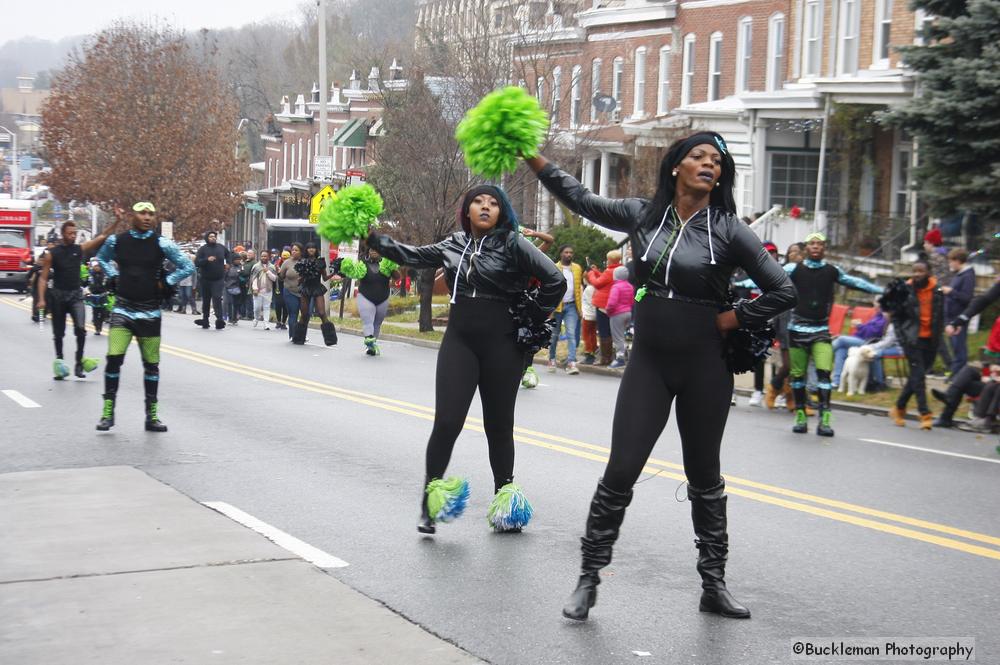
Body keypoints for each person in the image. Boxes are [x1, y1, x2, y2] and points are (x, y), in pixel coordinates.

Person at [526, 131, 796, 621]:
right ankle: (588, 579)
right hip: (648, 363)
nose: (708, 164)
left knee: (704, 477)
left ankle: (714, 584)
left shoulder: (731, 229)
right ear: (677, 166)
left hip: (704, 367)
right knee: (621, 470)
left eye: (716, 160)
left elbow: (783, 290)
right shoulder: (642, 215)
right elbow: (581, 198)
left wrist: (728, 320)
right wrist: (534, 158)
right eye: (698, 156)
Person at [368, 184, 565, 534]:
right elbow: (410, 254)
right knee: (447, 422)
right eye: (478, 202)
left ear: (502, 212)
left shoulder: (514, 243)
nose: (486, 207)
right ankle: (430, 503)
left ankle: (507, 504)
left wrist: (532, 314)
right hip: (460, 341)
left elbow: (555, 280)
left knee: (499, 426)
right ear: (467, 211)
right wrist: (371, 237)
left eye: (493, 203)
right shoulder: (452, 244)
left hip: (503, 344)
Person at [94, 202, 194, 431]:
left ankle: (152, 416)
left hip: (150, 312)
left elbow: (187, 266)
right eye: (142, 213)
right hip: (122, 311)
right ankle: (107, 413)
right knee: (114, 358)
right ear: (133, 216)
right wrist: (114, 276)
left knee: (151, 365)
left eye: (151, 214)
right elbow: (100, 258)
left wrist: (166, 282)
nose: (147, 217)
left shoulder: (162, 243)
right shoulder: (116, 241)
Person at [784, 233, 882, 437]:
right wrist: (740, 283)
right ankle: (800, 416)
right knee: (797, 377)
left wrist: (883, 290)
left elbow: (857, 283)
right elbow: (767, 277)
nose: (816, 247)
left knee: (824, 376)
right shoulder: (793, 269)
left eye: (820, 244)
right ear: (806, 248)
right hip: (797, 331)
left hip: (820, 331)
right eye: (812, 243)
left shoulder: (832, 270)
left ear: (824, 248)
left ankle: (825, 421)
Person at [37, 220, 116, 379]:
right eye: (70, 233)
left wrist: (117, 221)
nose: (73, 236)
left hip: (75, 296)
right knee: (59, 334)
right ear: (63, 234)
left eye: (74, 233)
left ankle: (79, 363)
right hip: (58, 296)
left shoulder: (79, 249)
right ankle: (59, 364)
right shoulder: (52, 254)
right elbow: (43, 279)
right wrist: (41, 299)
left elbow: (102, 236)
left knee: (81, 329)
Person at [887, 260, 944, 430]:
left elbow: (940, 315)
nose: (917, 274)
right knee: (919, 377)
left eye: (921, 271)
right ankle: (925, 414)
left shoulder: (937, 290)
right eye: (915, 271)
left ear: (928, 272)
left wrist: (939, 334)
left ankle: (899, 407)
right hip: (912, 339)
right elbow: (895, 316)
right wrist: (902, 336)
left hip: (931, 339)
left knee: (916, 377)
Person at [340, 247, 399, 355]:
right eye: (371, 249)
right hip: (365, 297)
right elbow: (352, 273)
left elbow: (397, 277)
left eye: (376, 249)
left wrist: (393, 268)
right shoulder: (362, 264)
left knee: (377, 323)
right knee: (368, 321)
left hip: (383, 298)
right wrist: (345, 268)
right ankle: (369, 340)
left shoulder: (387, 264)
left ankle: (372, 345)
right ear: (368, 251)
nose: (373, 251)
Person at [831, 302, 891, 390]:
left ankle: (823, 354)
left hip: (869, 342)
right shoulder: (877, 316)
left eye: (877, 304)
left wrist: (859, 326)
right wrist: (860, 327)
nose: (875, 306)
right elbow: (865, 330)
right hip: (861, 339)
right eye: (875, 304)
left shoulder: (884, 317)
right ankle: (837, 382)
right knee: (841, 349)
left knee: (841, 339)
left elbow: (873, 333)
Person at [546, 244, 583, 375]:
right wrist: (549, 309)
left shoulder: (577, 268)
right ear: (561, 254)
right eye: (566, 252)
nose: (569, 255)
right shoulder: (554, 267)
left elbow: (579, 289)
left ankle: (571, 362)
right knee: (554, 335)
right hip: (557, 306)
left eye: (571, 253)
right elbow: (550, 287)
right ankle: (551, 359)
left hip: (572, 305)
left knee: (572, 334)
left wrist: (580, 309)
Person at [293, 243, 337, 346]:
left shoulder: (320, 261)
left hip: (317, 287)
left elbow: (325, 278)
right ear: (306, 250)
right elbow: (301, 278)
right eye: (309, 248)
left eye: (313, 248)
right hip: (306, 288)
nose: (311, 250)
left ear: (315, 250)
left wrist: (334, 272)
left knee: (322, 313)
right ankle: (298, 338)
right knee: (304, 314)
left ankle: (330, 339)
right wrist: (300, 279)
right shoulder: (303, 261)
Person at [941, 249, 975, 377]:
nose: (950, 264)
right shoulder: (958, 274)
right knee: (955, 348)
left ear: (958, 261)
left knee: (959, 348)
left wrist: (951, 292)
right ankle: (956, 376)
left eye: (951, 261)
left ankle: (958, 377)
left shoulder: (968, 276)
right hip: (951, 318)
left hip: (959, 318)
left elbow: (966, 298)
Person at [587, 250, 623, 366]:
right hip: (615, 305)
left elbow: (597, 283)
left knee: (604, 332)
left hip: (603, 305)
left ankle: (605, 358)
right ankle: (612, 356)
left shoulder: (609, 271)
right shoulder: (620, 270)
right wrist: (597, 271)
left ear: (610, 260)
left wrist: (591, 274)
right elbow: (605, 280)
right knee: (612, 332)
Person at [194, 231, 228, 330]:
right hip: (205, 279)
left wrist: (229, 262)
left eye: (214, 236)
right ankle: (205, 319)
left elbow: (229, 255)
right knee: (206, 300)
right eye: (211, 236)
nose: (213, 238)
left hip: (218, 278)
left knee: (217, 298)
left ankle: (219, 319)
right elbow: (197, 262)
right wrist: (206, 260)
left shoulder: (221, 248)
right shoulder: (202, 249)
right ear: (207, 238)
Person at [606, 265, 634, 368]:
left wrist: (608, 311)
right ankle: (627, 356)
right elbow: (632, 301)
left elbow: (612, 303)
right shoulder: (630, 286)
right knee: (624, 336)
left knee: (618, 337)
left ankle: (620, 359)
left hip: (617, 314)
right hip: (628, 313)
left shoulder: (616, 287)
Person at [279, 244, 304, 341]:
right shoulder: (287, 263)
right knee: (293, 313)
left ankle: (302, 334)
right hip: (290, 291)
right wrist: (279, 273)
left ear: (301, 251)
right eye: (292, 250)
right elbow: (281, 276)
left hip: (304, 293)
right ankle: (293, 335)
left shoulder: (305, 262)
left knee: (305, 314)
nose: (293, 252)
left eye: (296, 250)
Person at [249, 250, 277, 329]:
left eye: (265, 256)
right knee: (257, 307)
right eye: (262, 256)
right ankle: (256, 318)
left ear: (268, 257)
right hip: (258, 291)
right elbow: (253, 278)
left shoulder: (271, 267)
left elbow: (274, 279)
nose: (264, 258)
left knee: (266, 307)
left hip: (268, 290)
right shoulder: (256, 266)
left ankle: (266, 323)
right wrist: (255, 288)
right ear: (260, 257)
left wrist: (268, 272)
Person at [84, 259, 111, 335]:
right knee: (95, 312)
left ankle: (100, 325)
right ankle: (97, 328)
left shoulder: (105, 275)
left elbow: (110, 284)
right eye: (95, 266)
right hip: (93, 295)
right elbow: (85, 284)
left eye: (98, 266)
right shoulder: (90, 275)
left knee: (103, 312)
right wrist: (86, 291)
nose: (97, 267)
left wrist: (110, 291)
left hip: (103, 295)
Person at [580, 283, 598, 365]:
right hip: (595, 314)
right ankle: (594, 350)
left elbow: (588, 302)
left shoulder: (589, 288)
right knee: (593, 334)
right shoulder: (596, 287)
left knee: (586, 335)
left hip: (588, 314)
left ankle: (589, 353)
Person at [273, 249, 290, 330]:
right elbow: (275, 276)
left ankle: (283, 322)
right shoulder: (277, 264)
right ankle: (278, 321)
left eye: (286, 258)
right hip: (278, 287)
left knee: (286, 305)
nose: (285, 260)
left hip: (288, 286)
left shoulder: (291, 264)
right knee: (278, 304)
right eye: (283, 258)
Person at [224, 254, 243, 325]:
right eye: (236, 259)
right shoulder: (228, 268)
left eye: (239, 259)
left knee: (236, 304)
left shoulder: (241, 267)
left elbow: (243, 276)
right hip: (229, 287)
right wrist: (226, 284)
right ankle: (230, 318)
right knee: (230, 303)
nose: (238, 261)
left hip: (238, 288)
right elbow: (224, 277)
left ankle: (235, 318)